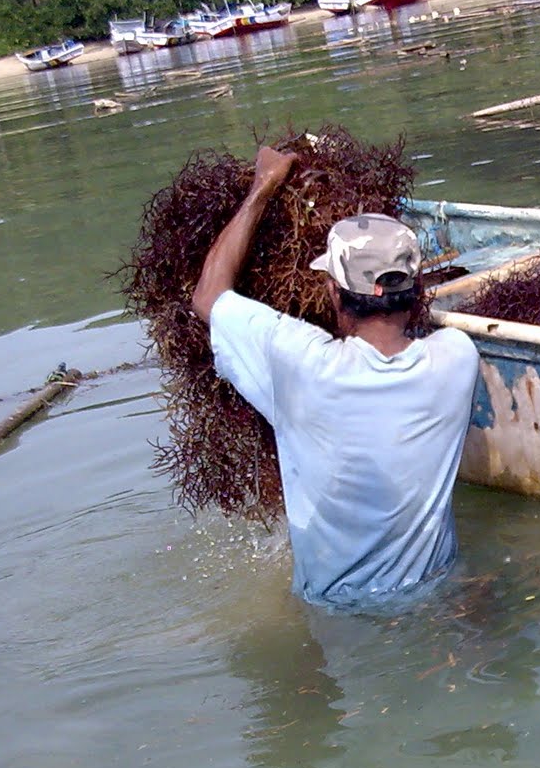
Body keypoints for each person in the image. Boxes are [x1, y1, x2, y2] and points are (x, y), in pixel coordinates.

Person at [191, 146, 480, 606]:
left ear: (332, 293)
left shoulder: (301, 365)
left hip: (339, 615)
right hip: (436, 592)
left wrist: (263, 186)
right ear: (418, 289)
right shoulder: (458, 358)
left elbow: (209, 297)